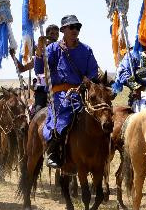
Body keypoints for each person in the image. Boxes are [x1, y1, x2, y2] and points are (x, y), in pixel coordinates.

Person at [42, 15, 99, 169]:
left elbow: (93, 71)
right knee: (61, 117)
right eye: (72, 27)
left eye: (77, 27)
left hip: (81, 93)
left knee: (101, 116)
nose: (75, 30)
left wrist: (88, 80)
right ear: (63, 30)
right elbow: (41, 69)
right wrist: (39, 56)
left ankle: (102, 153)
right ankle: (54, 152)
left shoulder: (86, 50)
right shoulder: (53, 49)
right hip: (60, 95)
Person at [15, 24, 59, 112]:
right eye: (51, 34)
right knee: (38, 111)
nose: (54, 36)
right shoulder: (39, 54)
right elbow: (22, 69)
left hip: (57, 88)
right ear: (46, 35)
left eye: (56, 34)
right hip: (42, 91)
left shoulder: (60, 50)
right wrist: (14, 57)